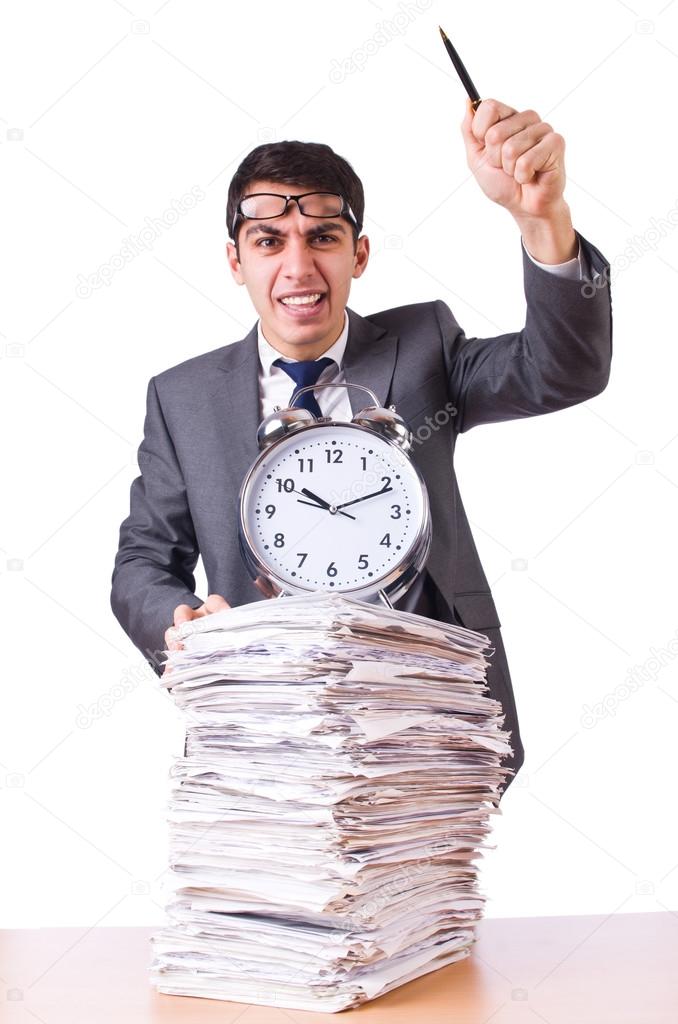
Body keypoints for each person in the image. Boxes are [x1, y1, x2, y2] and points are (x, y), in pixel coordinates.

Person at [110, 98, 613, 796]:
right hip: (264, 724)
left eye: (321, 237)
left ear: (359, 253)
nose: (297, 265)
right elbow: (143, 559)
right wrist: (179, 624)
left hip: (427, 714)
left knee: (418, 901)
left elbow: (562, 369)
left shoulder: (424, 349)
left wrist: (541, 218)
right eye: (268, 241)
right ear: (235, 260)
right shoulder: (182, 397)